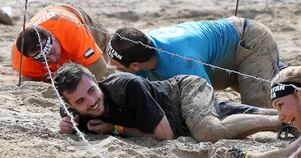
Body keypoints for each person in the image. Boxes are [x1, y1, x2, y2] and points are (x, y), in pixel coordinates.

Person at [56, 63, 283, 143]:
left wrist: (115, 129)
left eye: (92, 91)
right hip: (183, 120)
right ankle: (288, 113)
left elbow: (165, 136)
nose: (92, 101)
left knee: (206, 131)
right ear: (70, 104)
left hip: (184, 92)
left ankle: (282, 122)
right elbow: (66, 119)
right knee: (222, 115)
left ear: (96, 80)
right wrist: (66, 126)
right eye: (81, 101)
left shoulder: (127, 86)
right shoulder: (72, 112)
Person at [107, 16, 287, 108]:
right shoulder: (140, 46)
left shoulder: (180, 62)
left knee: (271, 105)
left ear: (135, 66)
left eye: (118, 67)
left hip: (248, 42)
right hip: (221, 64)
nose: (114, 69)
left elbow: (209, 106)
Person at [11, 4, 110, 81]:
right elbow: (32, 81)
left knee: (105, 47)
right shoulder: (22, 62)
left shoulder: (71, 30)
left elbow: (100, 67)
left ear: (53, 36)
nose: (53, 59)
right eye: (43, 59)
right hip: (45, 18)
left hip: (70, 14)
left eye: (52, 51)